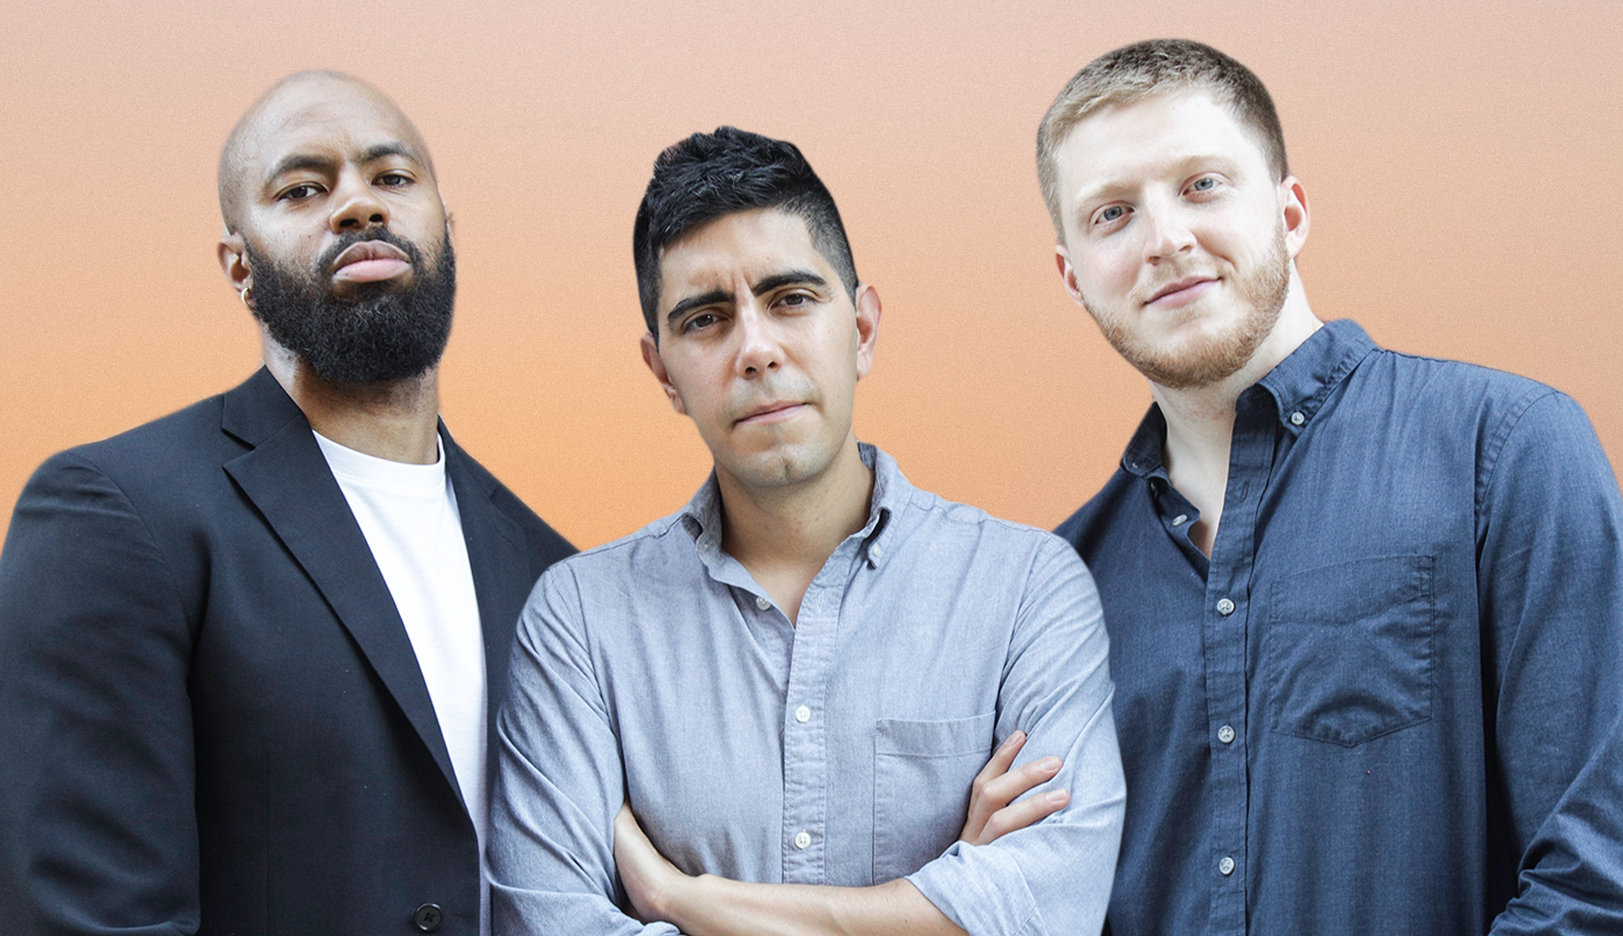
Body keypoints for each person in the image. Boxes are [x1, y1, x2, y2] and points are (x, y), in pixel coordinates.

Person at [1038, 38, 1623, 935]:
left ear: (1290, 213)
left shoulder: (1504, 451)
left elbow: (1595, 880)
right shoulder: (1056, 586)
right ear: (1072, 275)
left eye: (1201, 185)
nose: (1165, 240)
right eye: (1112, 213)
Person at [488, 126, 1124, 935]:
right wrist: (943, 909)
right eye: (706, 319)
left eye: (790, 299)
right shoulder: (581, 621)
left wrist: (686, 902)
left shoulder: (1026, 587)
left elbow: (1051, 910)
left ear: (861, 330)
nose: (755, 350)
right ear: (663, 373)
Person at [0, 70, 573, 936]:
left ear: (447, 231)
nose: (359, 205)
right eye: (303, 189)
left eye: (392, 177)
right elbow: (88, 916)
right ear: (239, 265)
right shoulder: (116, 514)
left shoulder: (551, 571)